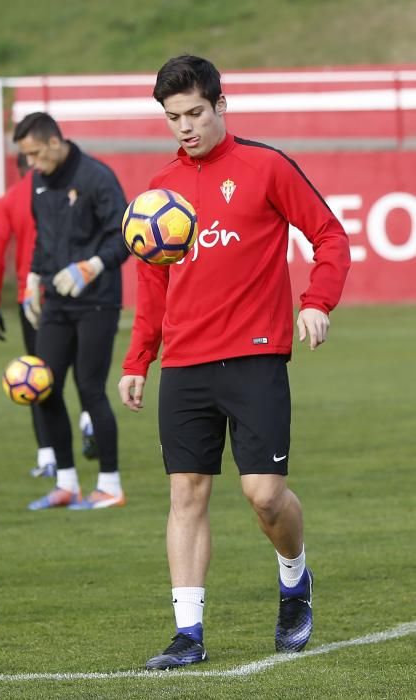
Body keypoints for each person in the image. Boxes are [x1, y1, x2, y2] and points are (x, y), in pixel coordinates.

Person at [118, 55, 351, 669]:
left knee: (264, 495)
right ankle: (187, 634)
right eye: (173, 117)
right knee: (186, 495)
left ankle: (295, 578)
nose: (185, 127)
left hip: (255, 357)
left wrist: (317, 300)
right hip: (186, 364)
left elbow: (329, 234)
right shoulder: (156, 193)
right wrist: (139, 358)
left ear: (221, 106)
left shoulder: (265, 166)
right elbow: (152, 287)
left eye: (195, 112)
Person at [13, 112, 129, 510]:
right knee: (43, 386)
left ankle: (110, 485)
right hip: (56, 301)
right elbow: (43, 240)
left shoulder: (98, 178)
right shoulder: (39, 183)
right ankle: (66, 483)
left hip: (98, 299)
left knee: (90, 389)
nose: (30, 163)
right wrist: (32, 279)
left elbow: (125, 237)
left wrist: (91, 265)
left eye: (32, 154)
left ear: (53, 142)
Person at [0, 154, 98, 478]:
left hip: (34, 298)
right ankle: (89, 419)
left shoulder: (9, 201)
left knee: (39, 375)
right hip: (79, 289)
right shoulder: (72, 189)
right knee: (86, 369)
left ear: (19, 167)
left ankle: (48, 456)